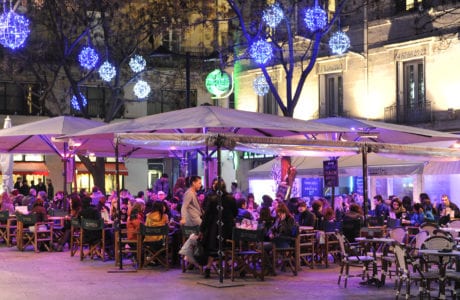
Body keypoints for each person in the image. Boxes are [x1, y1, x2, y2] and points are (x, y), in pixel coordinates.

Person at [199, 179, 237, 278]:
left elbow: (206, 216)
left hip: (215, 229)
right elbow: (236, 213)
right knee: (228, 248)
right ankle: (228, 267)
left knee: (213, 249)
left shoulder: (212, 199)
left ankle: (208, 268)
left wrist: (202, 230)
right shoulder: (231, 199)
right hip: (228, 228)